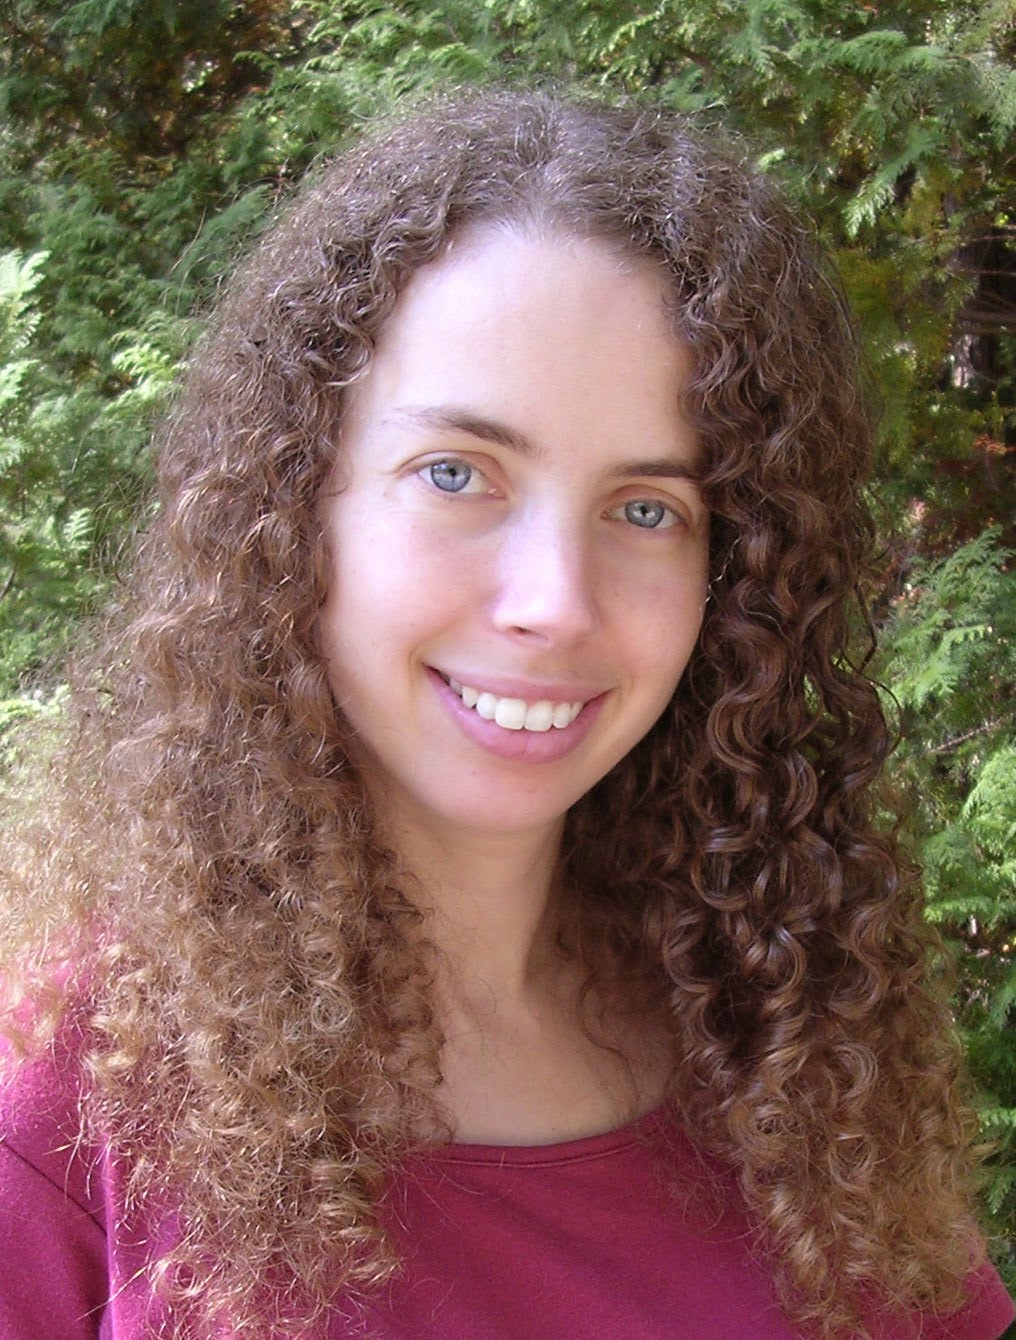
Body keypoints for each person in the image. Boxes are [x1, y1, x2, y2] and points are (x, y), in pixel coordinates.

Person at [0, 87, 1012, 1340]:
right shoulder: (63, 1113)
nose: (553, 600)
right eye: (455, 473)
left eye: (645, 507)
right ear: (293, 504)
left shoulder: (786, 1050)